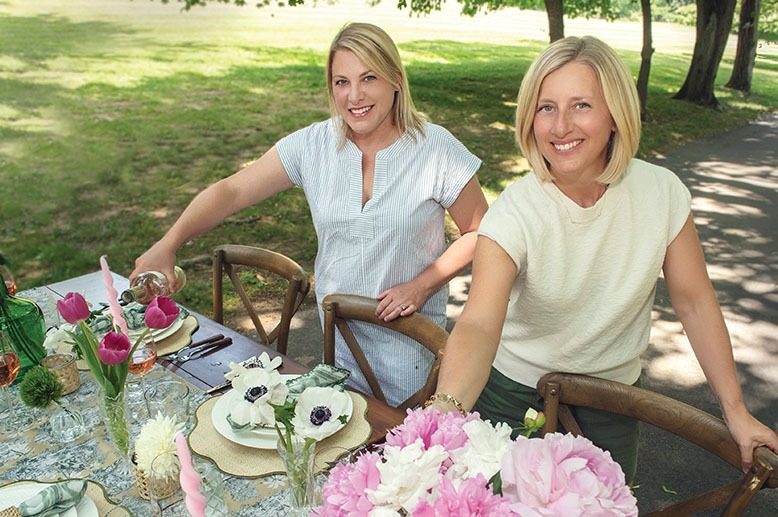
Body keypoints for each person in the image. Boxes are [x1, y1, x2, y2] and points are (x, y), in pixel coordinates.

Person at [425, 35, 778, 480]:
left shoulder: (662, 193)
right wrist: (445, 408)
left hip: (613, 405)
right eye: (546, 107)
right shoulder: (515, 211)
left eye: (582, 106)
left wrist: (736, 411)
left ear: (615, 114)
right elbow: (478, 322)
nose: (560, 127)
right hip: (513, 397)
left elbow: (694, 301)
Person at [131, 22, 488, 407]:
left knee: (410, 451)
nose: (354, 96)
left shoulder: (435, 148)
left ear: (395, 79)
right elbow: (231, 191)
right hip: (340, 345)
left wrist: (421, 284)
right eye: (341, 82)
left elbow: (482, 232)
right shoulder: (314, 146)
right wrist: (168, 245)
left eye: (369, 77)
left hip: (413, 350)